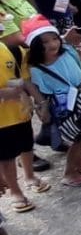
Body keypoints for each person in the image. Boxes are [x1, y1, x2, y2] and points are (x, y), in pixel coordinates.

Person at [22, 15, 81, 188]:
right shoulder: (37, 69)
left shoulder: (67, 51)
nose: (52, 44)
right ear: (35, 46)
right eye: (44, 42)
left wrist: (80, 48)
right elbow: (40, 93)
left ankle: (79, 166)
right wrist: (42, 110)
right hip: (65, 107)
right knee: (78, 138)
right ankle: (69, 173)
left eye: (54, 38)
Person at [0, 37, 49, 212]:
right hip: (1, 121)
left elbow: (25, 79)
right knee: (6, 157)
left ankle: (30, 176)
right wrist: (4, 94)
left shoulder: (12, 50)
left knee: (27, 146)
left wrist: (40, 103)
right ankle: (15, 191)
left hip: (21, 113)